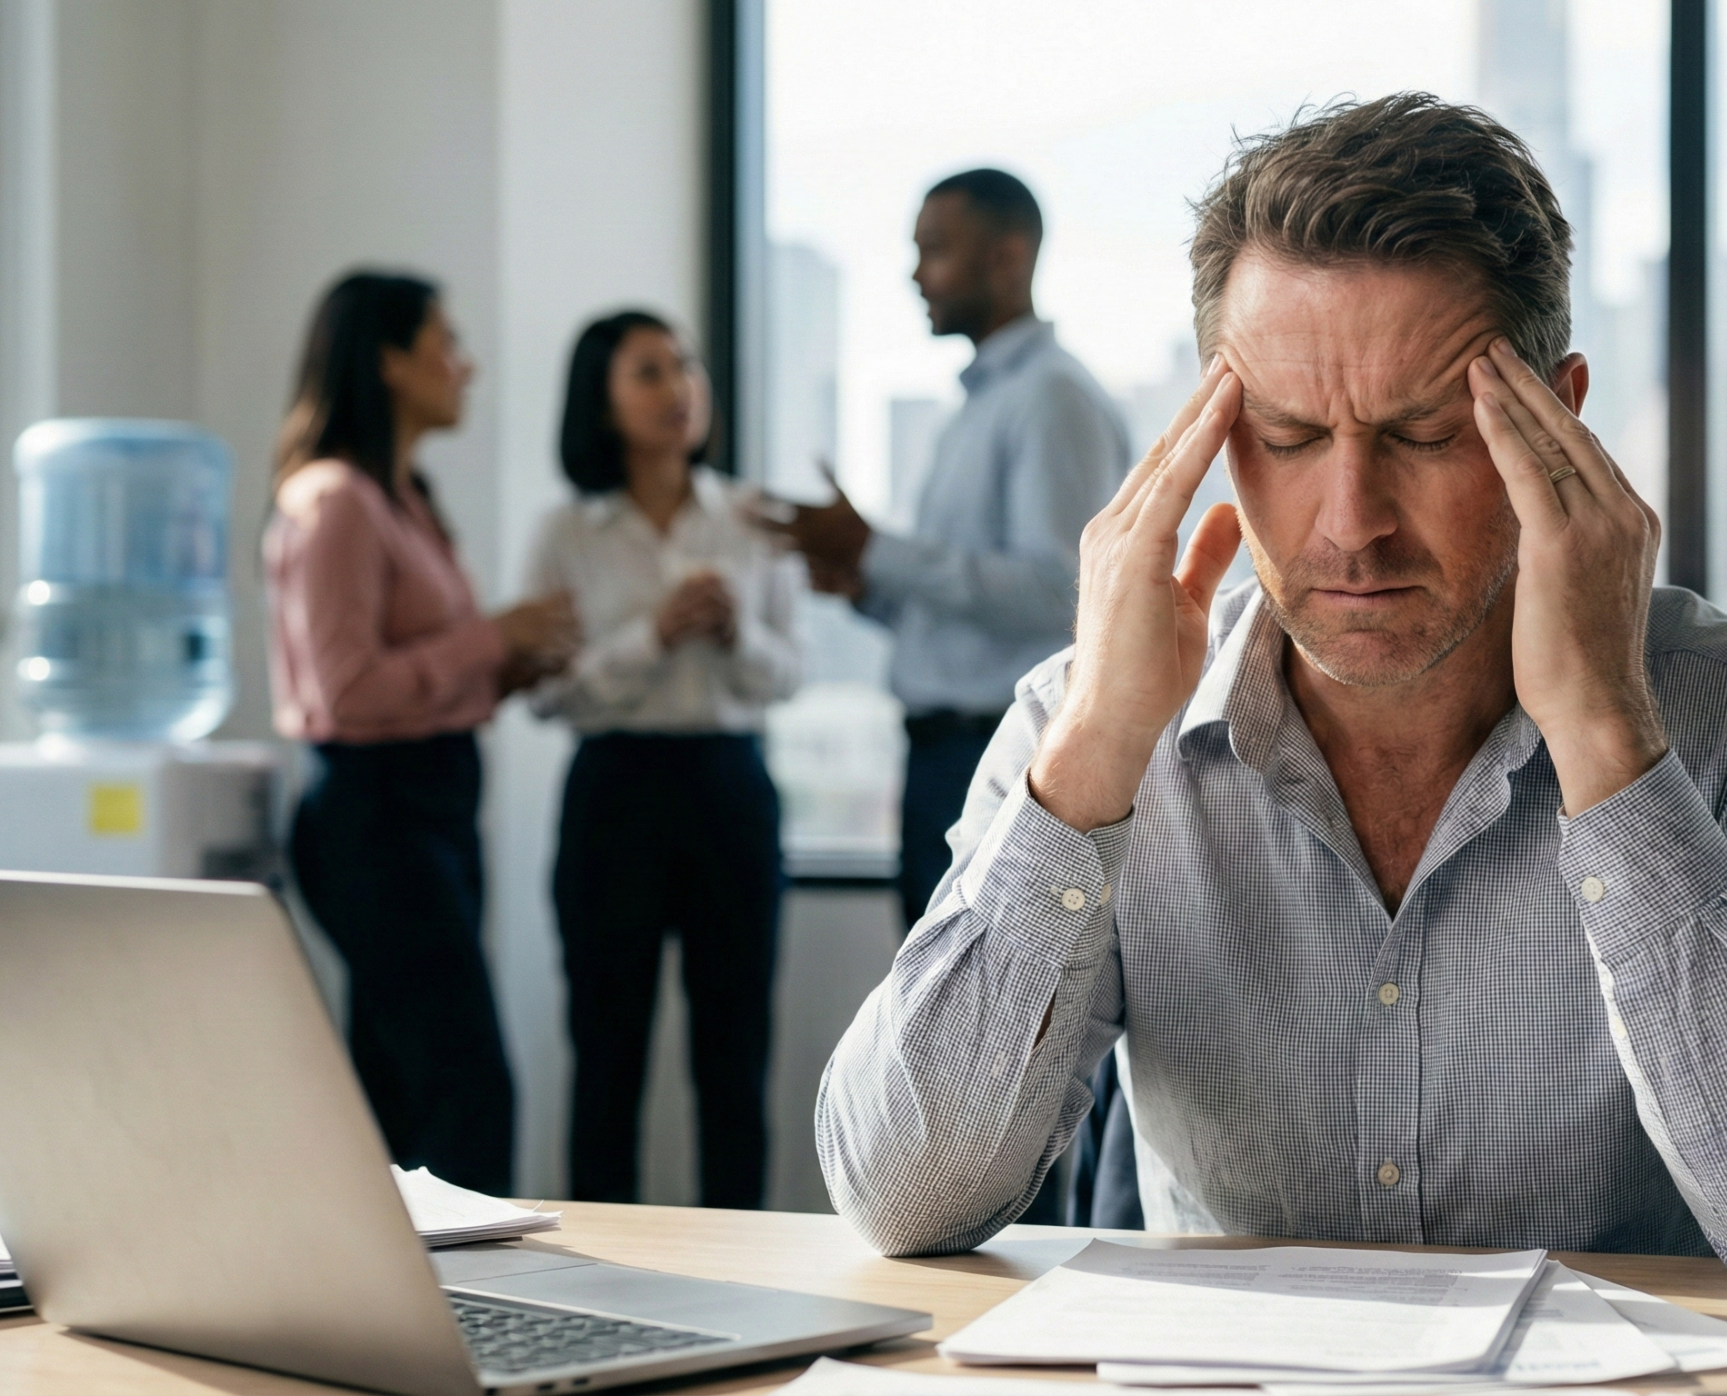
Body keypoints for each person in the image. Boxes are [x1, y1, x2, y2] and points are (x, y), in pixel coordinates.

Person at [816, 96, 1727, 1294]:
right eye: (1288, 437)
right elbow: (901, 1196)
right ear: (1212, 431)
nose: (1351, 526)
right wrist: (1095, 751)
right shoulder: (1083, 721)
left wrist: (1608, 736)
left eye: (1426, 432)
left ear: (1558, 416)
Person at [266, 270, 579, 1194]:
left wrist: (509, 666)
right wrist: (494, 636)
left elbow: (415, 677)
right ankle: (482, 1315)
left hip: (429, 804)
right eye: (446, 341)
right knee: (466, 1087)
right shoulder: (336, 501)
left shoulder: (404, 497)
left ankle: (398, 1309)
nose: (467, 365)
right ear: (389, 361)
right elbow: (350, 691)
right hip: (376, 817)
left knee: (404, 1084)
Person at [770, 168, 1131, 937]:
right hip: (947, 754)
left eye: (934, 250)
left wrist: (876, 547)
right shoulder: (980, 402)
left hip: (1000, 759)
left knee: (999, 1024)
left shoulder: (1049, 398)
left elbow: (1059, 594)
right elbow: (968, 598)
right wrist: (864, 581)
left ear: (1007, 257)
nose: (914, 273)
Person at [525, 310, 802, 1208]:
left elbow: (789, 675)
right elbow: (546, 692)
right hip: (614, 792)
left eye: (685, 365)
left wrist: (733, 632)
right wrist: (654, 634)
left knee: (735, 1054)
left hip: (730, 786)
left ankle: (752, 1282)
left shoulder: (754, 518)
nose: (678, 386)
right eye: (648, 371)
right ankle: (596, 1279)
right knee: (606, 1053)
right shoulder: (566, 532)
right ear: (600, 399)